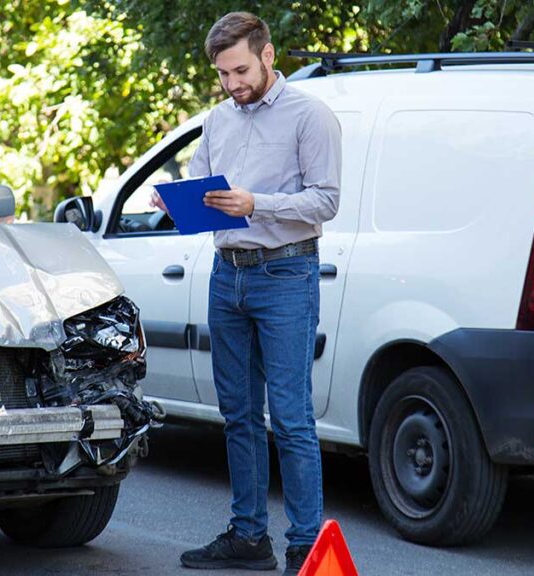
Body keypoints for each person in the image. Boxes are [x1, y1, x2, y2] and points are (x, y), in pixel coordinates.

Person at [151, 11, 342, 576]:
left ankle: (307, 548)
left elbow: (326, 201)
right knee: (237, 414)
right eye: (223, 74)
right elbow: (202, 190)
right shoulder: (217, 120)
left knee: (290, 416)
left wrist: (258, 203)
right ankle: (248, 536)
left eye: (239, 70)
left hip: (286, 274)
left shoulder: (311, 115)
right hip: (226, 273)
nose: (233, 83)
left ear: (267, 55)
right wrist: (175, 203)